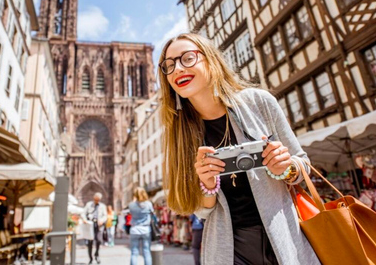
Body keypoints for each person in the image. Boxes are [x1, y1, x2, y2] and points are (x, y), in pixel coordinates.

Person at [158, 33, 320, 264]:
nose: (177, 69)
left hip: (285, 238)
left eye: (188, 58)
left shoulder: (258, 102)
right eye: (169, 65)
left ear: (211, 59)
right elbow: (200, 211)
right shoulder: (180, 133)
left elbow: (302, 166)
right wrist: (207, 185)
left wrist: (286, 167)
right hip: (229, 250)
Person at [128, 187, 153, 265]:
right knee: (147, 251)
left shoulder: (131, 205)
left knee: (134, 252)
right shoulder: (148, 204)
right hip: (146, 229)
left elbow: (130, 212)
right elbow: (152, 213)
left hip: (134, 229)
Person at [81, 192, 107, 264]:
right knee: (90, 242)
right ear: (93, 198)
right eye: (96, 199)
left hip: (99, 225)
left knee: (99, 240)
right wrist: (84, 219)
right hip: (90, 225)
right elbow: (83, 213)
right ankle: (90, 258)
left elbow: (105, 216)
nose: (96, 201)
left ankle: (96, 254)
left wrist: (102, 220)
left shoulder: (102, 206)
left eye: (98, 200)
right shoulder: (89, 205)